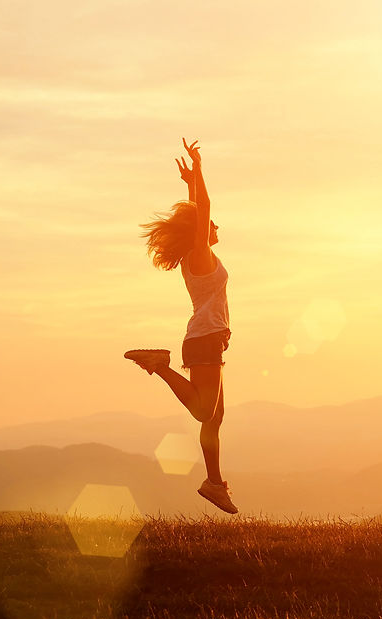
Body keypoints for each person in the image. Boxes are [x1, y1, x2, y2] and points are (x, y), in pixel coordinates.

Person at [125, 138, 237, 514]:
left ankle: (215, 483)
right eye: (210, 225)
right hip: (205, 338)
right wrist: (200, 173)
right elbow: (203, 210)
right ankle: (160, 365)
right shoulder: (200, 253)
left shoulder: (200, 255)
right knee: (206, 413)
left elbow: (197, 212)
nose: (216, 225)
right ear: (201, 232)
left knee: (215, 416)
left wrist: (189, 183)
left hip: (208, 339)